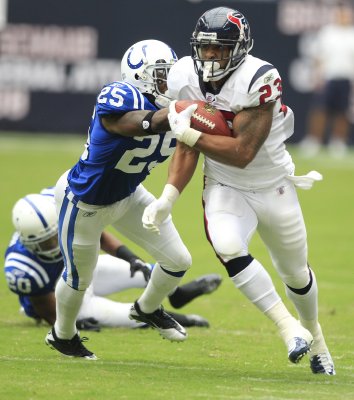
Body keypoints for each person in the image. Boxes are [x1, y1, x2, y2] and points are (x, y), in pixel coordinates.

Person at [142, 7, 335, 375]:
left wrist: (192, 133)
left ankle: (317, 339)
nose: (211, 56)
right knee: (229, 246)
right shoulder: (185, 74)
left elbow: (243, 153)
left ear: (240, 48)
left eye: (220, 48)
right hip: (225, 185)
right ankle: (288, 328)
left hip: (272, 183)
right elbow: (186, 147)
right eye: (205, 48)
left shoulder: (258, 78)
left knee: (295, 273)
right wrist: (168, 198)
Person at [46, 39, 203, 360]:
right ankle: (62, 335)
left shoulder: (174, 104)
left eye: (169, 74)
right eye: (160, 74)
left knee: (178, 261)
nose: (167, 81)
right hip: (84, 202)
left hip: (129, 195)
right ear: (138, 75)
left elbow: (189, 143)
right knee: (78, 280)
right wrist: (175, 112)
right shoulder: (120, 95)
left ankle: (146, 309)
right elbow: (131, 123)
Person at [4, 191, 223, 332]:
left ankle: (178, 294)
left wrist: (130, 257)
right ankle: (183, 319)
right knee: (128, 313)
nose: (54, 245)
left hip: (82, 267)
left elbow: (94, 233)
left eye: (55, 236)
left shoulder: (60, 205)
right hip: (61, 300)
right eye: (46, 243)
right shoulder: (22, 268)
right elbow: (48, 310)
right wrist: (71, 323)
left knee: (143, 271)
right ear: (30, 243)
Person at [299, 1, 354, 158]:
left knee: (343, 112)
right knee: (320, 110)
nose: (343, 17)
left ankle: (338, 142)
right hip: (328, 78)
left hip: (346, 79)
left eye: (346, 14)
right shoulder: (327, 32)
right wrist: (318, 76)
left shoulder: (352, 34)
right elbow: (318, 57)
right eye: (341, 14)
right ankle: (314, 141)